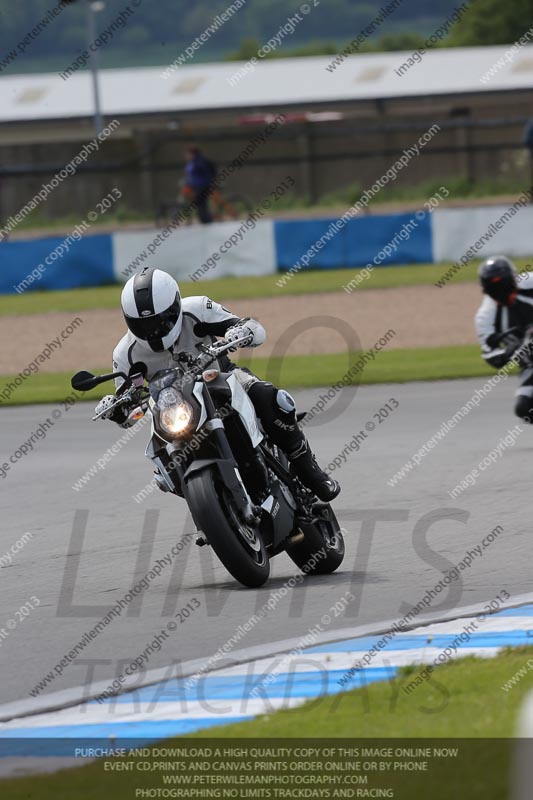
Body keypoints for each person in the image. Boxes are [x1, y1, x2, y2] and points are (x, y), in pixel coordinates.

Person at [95, 267, 340, 502]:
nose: (153, 330)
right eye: (143, 325)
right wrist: (117, 410)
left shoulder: (198, 309)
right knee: (162, 464)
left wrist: (240, 331)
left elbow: (254, 328)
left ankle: (310, 471)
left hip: (222, 379)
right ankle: (210, 504)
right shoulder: (125, 354)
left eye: (161, 321)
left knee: (273, 401)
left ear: (176, 307)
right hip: (174, 409)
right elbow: (129, 413)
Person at [476, 255, 533, 422]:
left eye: (502, 283)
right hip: (531, 364)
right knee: (524, 408)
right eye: (494, 286)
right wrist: (507, 352)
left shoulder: (530, 282)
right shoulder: (485, 316)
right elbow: (488, 354)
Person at [182, 146, 217, 224]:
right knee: (200, 205)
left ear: (192, 154)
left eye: (187, 154)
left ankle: (207, 222)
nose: (186, 156)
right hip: (195, 187)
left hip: (202, 187)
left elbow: (204, 175)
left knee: (202, 205)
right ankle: (206, 221)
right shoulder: (192, 162)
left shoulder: (199, 162)